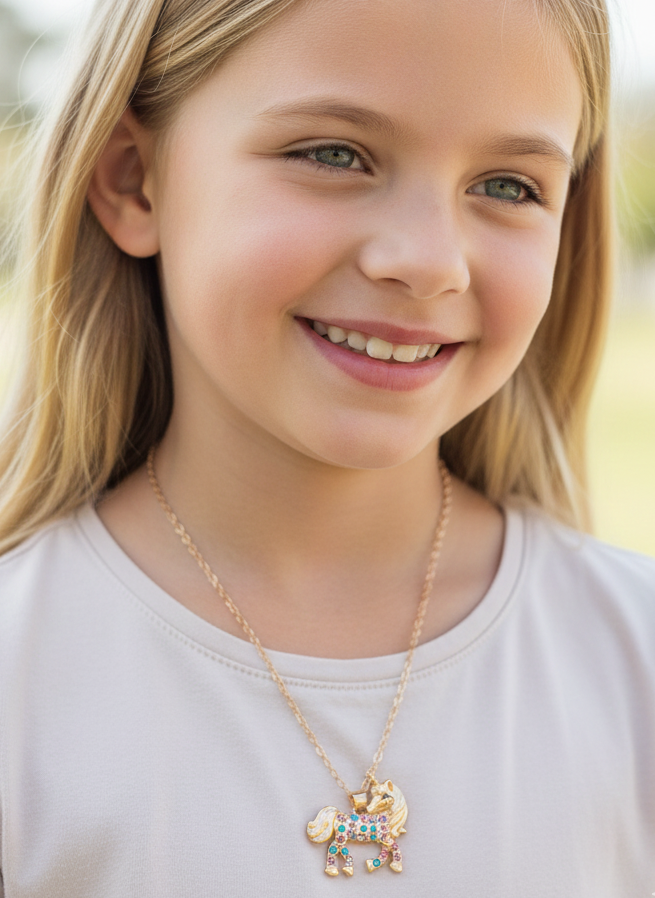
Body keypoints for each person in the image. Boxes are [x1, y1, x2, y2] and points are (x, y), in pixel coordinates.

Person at [0, 0, 653, 893]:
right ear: (133, 183)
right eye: (333, 155)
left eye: (506, 185)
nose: (428, 261)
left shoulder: (632, 663)